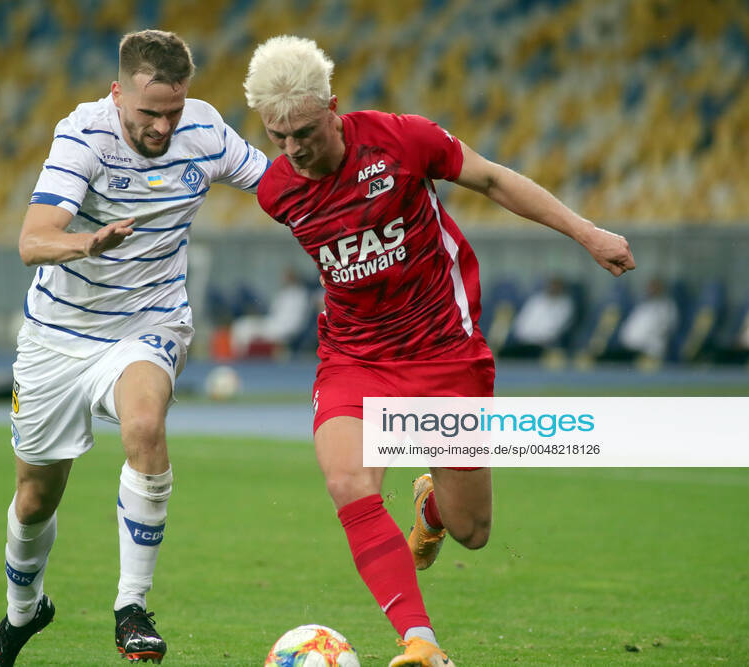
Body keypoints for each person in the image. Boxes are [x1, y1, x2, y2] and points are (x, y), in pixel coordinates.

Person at [244, 36, 634, 666]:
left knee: (472, 531)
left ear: (333, 109)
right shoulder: (277, 192)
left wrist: (587, 234)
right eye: (277, 135)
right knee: (347, 481)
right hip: (354, 357)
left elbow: (493, 179)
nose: (293, 148)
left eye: (305, 131)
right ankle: (421, 642)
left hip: (443, 350)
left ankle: (432, 506)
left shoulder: (402, 141)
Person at [0, 30, 268, 666]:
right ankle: (24, 612)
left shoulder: (206, 131)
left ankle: (131, 608)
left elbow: (282, 189)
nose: (163, 126)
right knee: (35, 498)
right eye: (149, 113)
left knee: (144, 423)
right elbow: (32, 240)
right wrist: (88, 241)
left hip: (148, 321)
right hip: (58, 336)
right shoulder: (83, 135)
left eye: (173, 111)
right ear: (118, 93)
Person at [229, 266, 313, 356]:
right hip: (273, 324)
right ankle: (239, 355)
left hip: (282, 329)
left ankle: (241, 356)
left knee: (245, 328)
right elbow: (273, 314)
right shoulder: (283, 293)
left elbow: (295, 322)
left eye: (287, 276)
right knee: (241, 325)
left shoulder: (301, 295)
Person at [504, 275, 576, 357]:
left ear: (562, 288)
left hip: (543, 346)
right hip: (522, 342)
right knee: (504, 354)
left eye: (557, 285)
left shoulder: (565, 305)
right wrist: (525, 337)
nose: (553, 288)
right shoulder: (536, 300)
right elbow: (521, 322)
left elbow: (556, 330)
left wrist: (537, 338)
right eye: (552, 285)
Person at [617, 276, 678, 361]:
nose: (651, 290)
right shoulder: (642, 305)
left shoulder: (667, 307)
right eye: (650, 287)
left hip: (650, 352)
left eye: (654, 287)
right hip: (628, 350)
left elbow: (664, 331)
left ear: (661, 289)